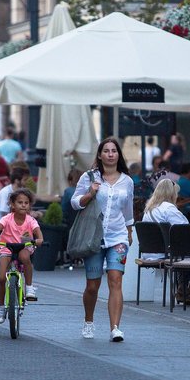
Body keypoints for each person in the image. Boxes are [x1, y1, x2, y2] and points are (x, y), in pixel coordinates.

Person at [71, 137, 134, 342]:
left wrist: (129, 231)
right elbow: (74, 203)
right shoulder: (88, 177)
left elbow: (128, 210)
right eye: (106, 151)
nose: (110, 154)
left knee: (115, 279)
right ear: (99, 155)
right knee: (92, 285)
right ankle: (88, 321)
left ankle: (115, 327)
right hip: (94, 238)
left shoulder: (127, 181)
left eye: (113, 151)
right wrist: (90, 193)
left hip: (118, 237)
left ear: (118, 155)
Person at [0, 187, 44, 317]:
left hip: (24, 246)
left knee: (25, 257)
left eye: (26, 203)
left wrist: (39, 240)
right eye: (20, 202)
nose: (23, 205)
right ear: (12, 204)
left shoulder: (30, 220)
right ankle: (0, 307)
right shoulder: (7, 219)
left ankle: (29, 287)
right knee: (1, 278)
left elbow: (38, 233)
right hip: (7, 247)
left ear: (29, 205)